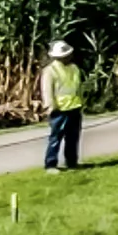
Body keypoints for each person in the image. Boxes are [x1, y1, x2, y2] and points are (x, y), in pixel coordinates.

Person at [39, 40, 85, 173]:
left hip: (74, 106)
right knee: (56, 138)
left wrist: (81, 101)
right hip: (59, 109)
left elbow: (78, 86)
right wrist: (50, 106)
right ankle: (51, 164)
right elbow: (47, 90)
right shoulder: (50, 70)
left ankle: (72, 162)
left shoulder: (74, 68)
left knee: (73, 138)